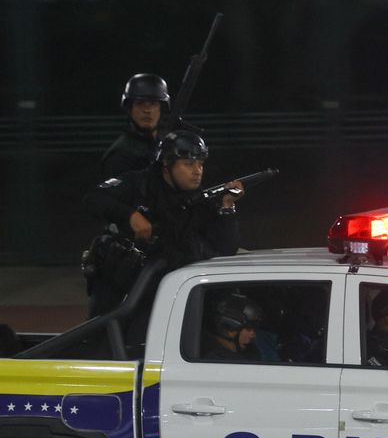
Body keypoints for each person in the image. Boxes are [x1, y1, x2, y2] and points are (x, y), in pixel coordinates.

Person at [83, 130, 243, 316]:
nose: (197, 171)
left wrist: (227, 206)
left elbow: (225, 250)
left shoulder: (197, 199)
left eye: (200, 164)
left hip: (166, 293)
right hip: (120, 288)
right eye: (188, 164)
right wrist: (130, 216)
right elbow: (93, 199)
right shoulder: (139, 183)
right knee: (102, 329)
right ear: (167, 164)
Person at [98, 73, 169, 178]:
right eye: (140, 103)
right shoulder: (120, 155)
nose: (147, 110)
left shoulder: (168, 143)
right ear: (130, 109)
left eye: (153, 104)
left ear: (161, 109)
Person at [201, 293, 263, 360]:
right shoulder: (214, 358)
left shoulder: (251, 352)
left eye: (254, 329)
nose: (253, 335)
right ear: (231, 326)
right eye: (249, 328)